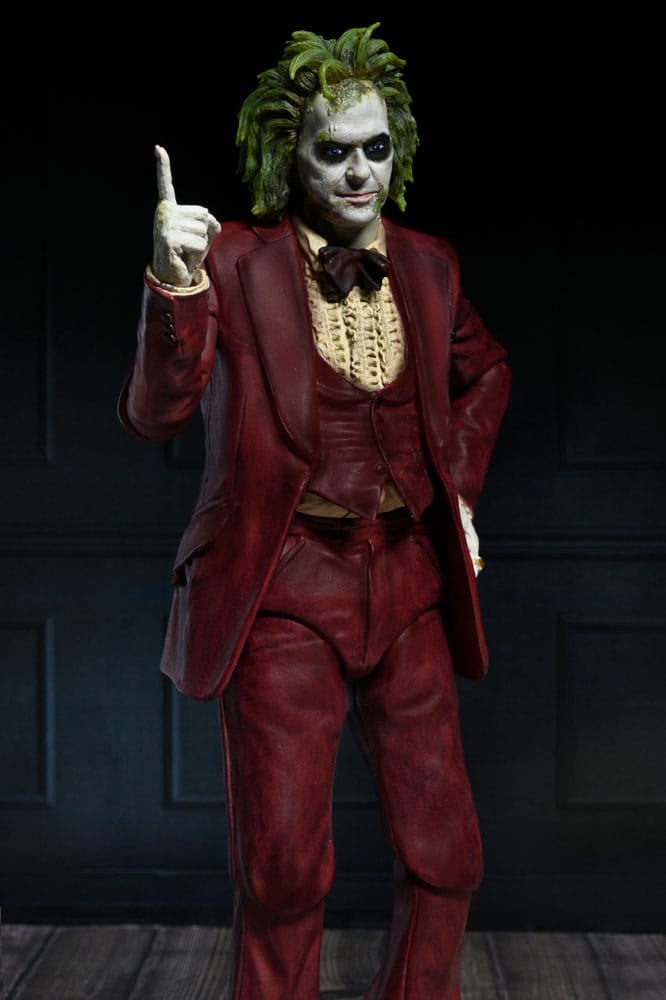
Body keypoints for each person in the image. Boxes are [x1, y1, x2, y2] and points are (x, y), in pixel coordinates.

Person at [118, 22, 510, 999]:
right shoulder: (239, 261)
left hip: (410, 579)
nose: (358, 172)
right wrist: (174, 283)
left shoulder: (429, 263)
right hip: (285, 582)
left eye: (376, 147)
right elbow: (155, 413)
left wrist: (458, 494)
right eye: (333, 152)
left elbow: (488, 372)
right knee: (285, 865)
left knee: (449, 851)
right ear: (286, 156)